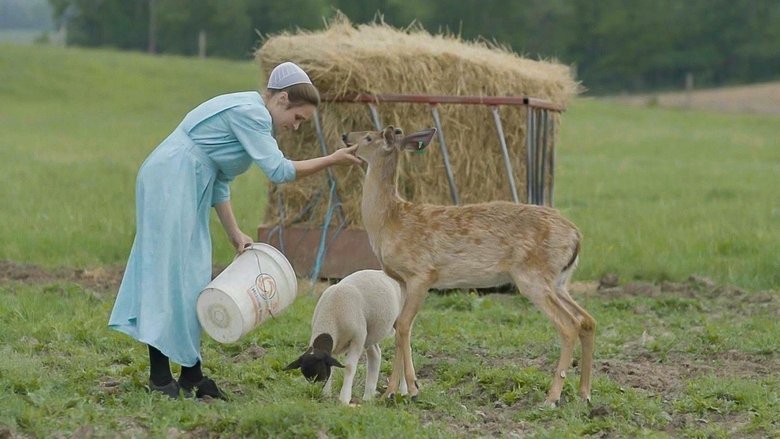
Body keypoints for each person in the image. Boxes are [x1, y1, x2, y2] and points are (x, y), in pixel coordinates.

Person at [108, 62, 360, 399]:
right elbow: (280, 170)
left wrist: (234, 232)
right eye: (297, 118)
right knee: (170, 274)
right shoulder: (252, 114)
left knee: (192, 276)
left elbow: (220, 179)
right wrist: (332, 160)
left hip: (190, 181)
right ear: (282, 99)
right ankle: (161, 377)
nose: (295, 127)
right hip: (172, 179)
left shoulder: (252, 115)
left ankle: (191, 375)